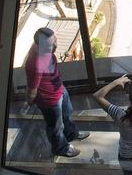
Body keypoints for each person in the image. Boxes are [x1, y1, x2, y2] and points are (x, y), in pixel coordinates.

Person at [24, 27, 87, 158]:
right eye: (50, 45)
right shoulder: (34, 64)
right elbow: (32, 89)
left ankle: (71, 134)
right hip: (49, 100)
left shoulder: (45, 50)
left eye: (55, 41)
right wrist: (30, 101)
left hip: (59, 89)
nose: (55, 46)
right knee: (56, 127)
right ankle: (61, 148)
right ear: (40, 45)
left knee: (67, 115)